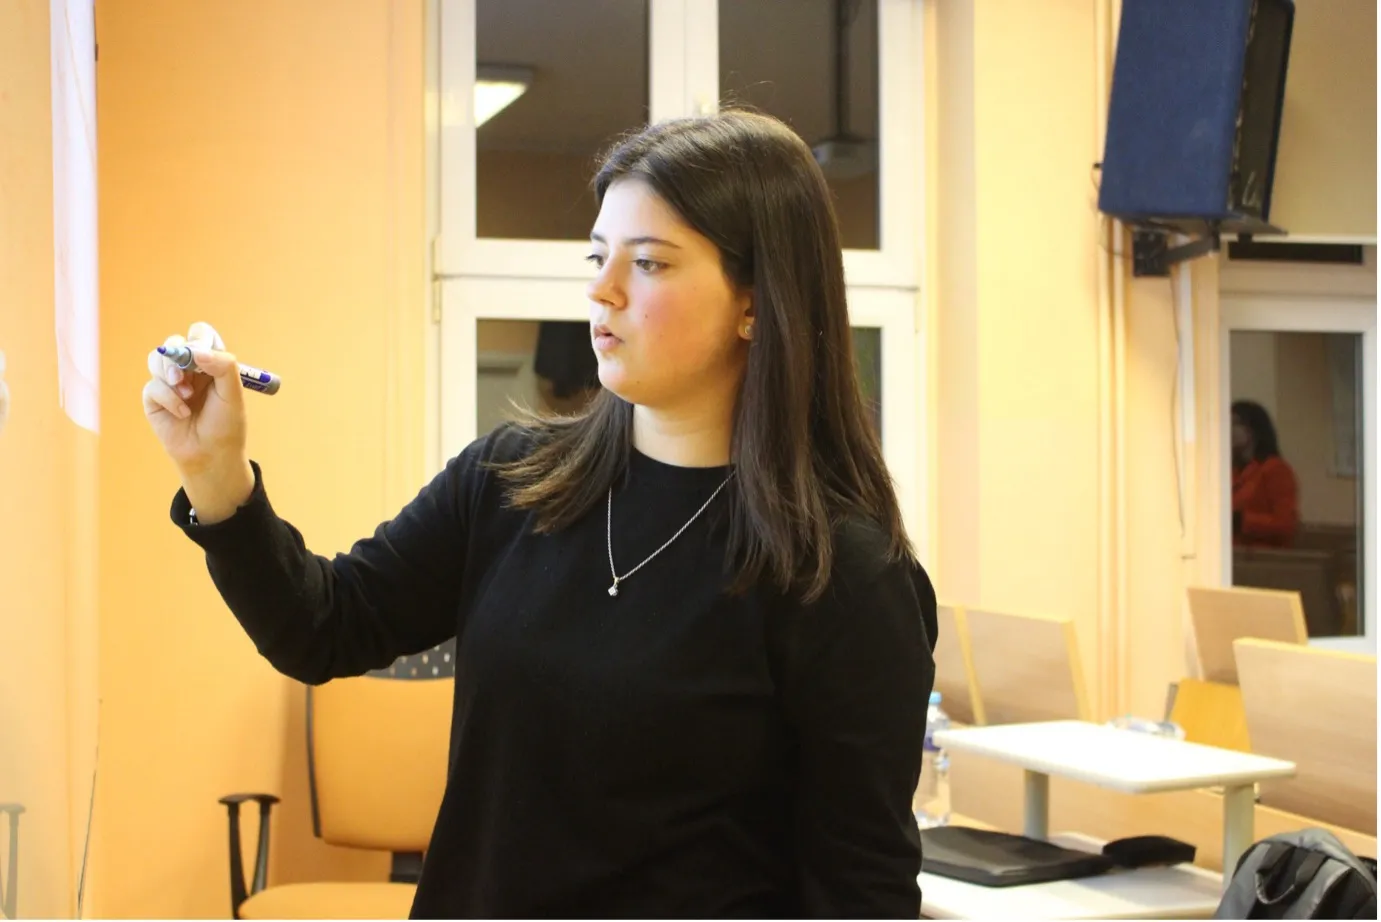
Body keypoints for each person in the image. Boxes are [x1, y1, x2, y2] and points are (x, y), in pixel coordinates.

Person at [142, 110, 938, 918]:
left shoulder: (842, 574)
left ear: (756, 305)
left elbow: (860, 892)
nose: (602, 289)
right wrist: (214, 470)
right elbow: (320, 626)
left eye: (650, 263)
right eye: (598, 256)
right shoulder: (509, 480)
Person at [1231, 399, 1300, 548]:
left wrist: (1242, 520)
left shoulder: (1276, 469)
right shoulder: (1231, 472)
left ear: (1253, 430)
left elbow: (1285, 525)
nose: (1228, 430)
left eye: (1235, 423)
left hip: (1263, 560)